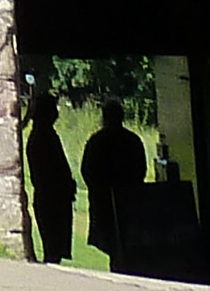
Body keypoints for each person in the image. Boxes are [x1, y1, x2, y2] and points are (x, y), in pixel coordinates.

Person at [82, 96, 148, 266]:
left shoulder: (96, 141)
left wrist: (98, 189)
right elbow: (141, 170)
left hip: (103, 202)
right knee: (127, 243)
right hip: (129, 202)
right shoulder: (132, 141)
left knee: (111, 242)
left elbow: (87, 171)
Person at [24, 86, 75, 263]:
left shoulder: (42, 135)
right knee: (53, 248)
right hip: (51, 198)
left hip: (53, 197)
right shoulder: (43, 137)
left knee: (54, 248)